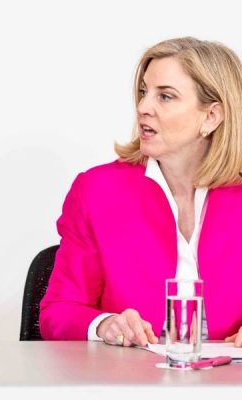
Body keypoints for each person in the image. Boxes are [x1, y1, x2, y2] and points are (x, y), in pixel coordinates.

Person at [39, 37, 242, 347]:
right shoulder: (98, 191)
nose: (143, 107)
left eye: (166, 96)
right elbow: (58, 312)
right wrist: (104, 324)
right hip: (129, 374)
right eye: (144, 92)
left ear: (211, 116)